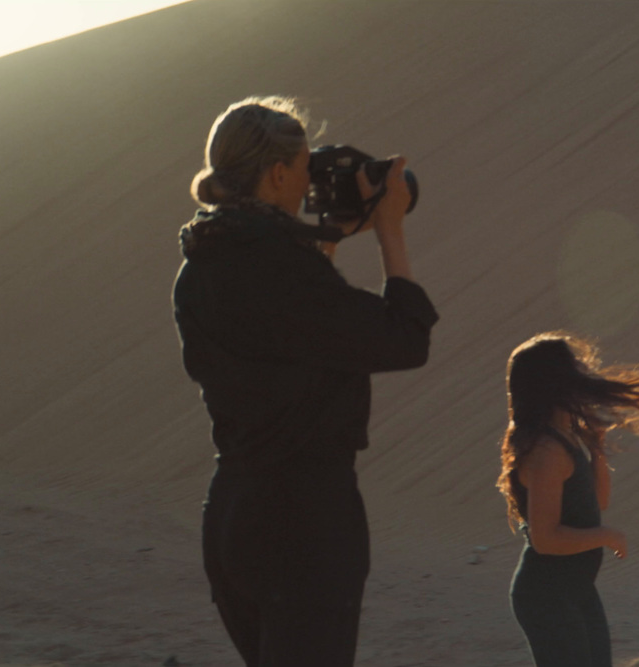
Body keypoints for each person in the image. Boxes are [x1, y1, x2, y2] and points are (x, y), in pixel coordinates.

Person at [172, 96, 438, 665]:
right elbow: (403, 339)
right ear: (276, 173)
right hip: (304, 522)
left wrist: (325, 240)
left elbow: (294, 333)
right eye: (304, 168)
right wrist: (390, 229)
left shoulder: (201, 264)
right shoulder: (281, 271)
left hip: (233, 514)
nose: (309, 182)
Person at [498, 333, 639, 667]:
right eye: (573, 368)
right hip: (546, 594)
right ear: (554, 382)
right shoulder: (547, 452)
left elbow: (598, 501)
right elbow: (545, 540)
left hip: (575, 589)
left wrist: (597, 447)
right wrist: (608, 536)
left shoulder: (567, 438)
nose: (583, 373)